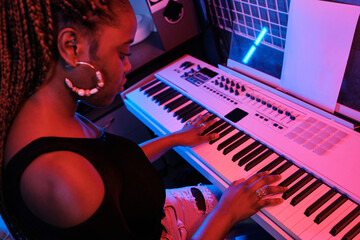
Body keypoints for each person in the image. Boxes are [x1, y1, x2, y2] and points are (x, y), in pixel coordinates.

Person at [0, 0, 287, 239]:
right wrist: (227, 212)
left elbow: (113, 169)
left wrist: (176, 138)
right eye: (122, 52)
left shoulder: (50, 113)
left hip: (166, 211)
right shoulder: (62, 178)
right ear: (71, 48)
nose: (129, 65)